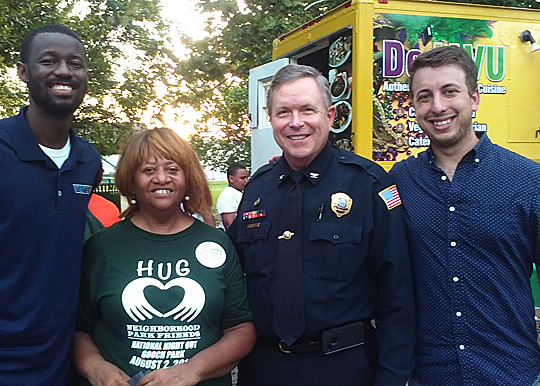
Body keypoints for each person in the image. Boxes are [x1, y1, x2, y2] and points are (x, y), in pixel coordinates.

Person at [227, 64, 414, 385]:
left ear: (329, 116)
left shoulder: (368, 185)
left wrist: (392, 378)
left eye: (307, 110)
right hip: (264, 368)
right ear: (271, 119)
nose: (295, 122)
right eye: (283, 112)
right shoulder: (256, 189)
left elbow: (397, 294)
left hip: (343, 368)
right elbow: (231, 277)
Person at [389, 45, 540, 385]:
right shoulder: (400, 181)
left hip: (512, 373)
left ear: (474, 98)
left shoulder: (529, 179)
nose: (438, 106)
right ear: (413, 106)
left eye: (449, 91)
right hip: (429, 375)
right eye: (424, 96)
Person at [0, 25, 100, 384]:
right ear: (23, 72)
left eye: (76, 63)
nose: (64, 72)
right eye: (48, 61)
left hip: (58, 360)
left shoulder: (88, 161)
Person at [73, 128, 256, 386]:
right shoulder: (101, 246)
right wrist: (96, 368)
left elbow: (240, 329)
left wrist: (193, 370)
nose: (161, 178)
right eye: (148, 170)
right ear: (131, 179)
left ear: (188, 177)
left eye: (172, 169)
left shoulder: (217, 244)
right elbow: (78, 329)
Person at [216, 162, 248, 230]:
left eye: (247, 177)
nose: (246, 181)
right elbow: (229, 224)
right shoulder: (228, 196)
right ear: (231, 179)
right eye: (242, 178)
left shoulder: (238, 193)